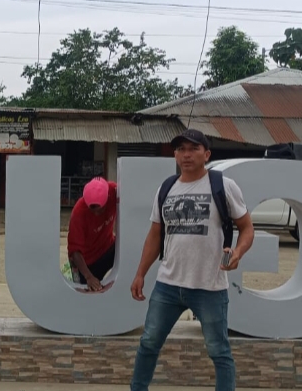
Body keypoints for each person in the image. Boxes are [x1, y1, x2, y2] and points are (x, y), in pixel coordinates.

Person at [129, 129, 255, 391]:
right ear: (175, 155)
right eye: (181, 149)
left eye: (193, 149)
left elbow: (247, 228)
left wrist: (238, 252)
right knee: (149, 343)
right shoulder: (166, 188)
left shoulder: (223, 186)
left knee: (219, 351)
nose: (186, 155)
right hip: (167, 285)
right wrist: (140, 273)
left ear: (206, 154)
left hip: (209, 286)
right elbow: (155, 235)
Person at [67, 177, 119, 292]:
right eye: (92, 210)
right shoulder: (79, 212)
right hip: (86, 261)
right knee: (85, 295)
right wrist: (88, 276)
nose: (96, 214)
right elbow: (75, 251)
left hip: (108, 248)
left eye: (100, 210)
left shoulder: (114, 191)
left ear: (108, 198)